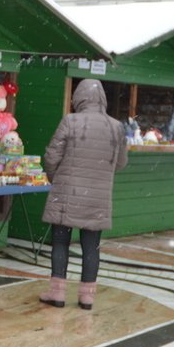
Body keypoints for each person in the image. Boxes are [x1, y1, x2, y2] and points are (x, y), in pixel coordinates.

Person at [39, 78, 128, 311]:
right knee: (92, 246)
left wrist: (55, 177)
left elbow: (51, 155)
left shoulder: (70, 121)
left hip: (67, 193)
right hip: (98, 196)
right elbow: (121, 163)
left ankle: (57, 293)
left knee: (60, 241)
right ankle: (87, 297)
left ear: (78, 97)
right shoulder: (116, 127)